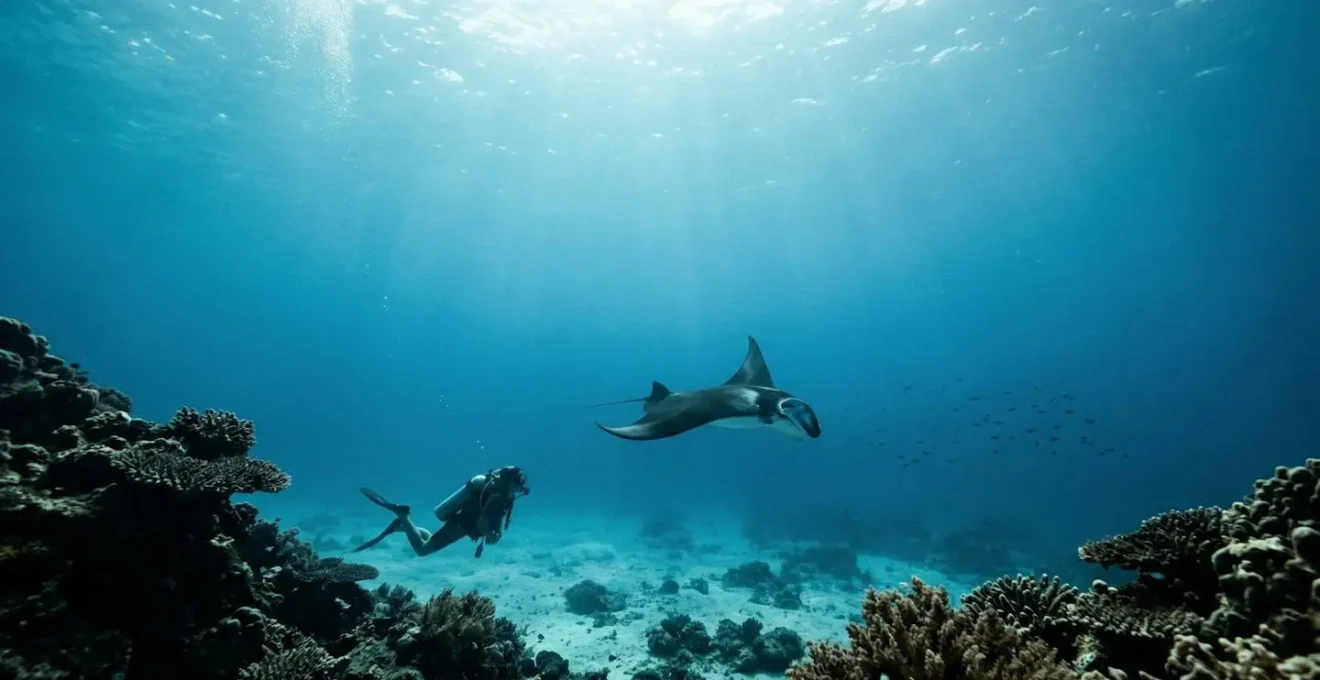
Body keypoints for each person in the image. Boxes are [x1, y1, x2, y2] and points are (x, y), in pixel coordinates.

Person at [353, 465, 530, 558]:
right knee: (422, 550)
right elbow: (482, 523)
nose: (517, 491)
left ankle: (403, 525)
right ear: (509, 483)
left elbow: (496, 519)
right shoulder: (498, 497)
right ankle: (404, 518)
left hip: (461, 522)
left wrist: (496, 533)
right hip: (461, 526)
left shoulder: (502, 495)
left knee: (429, 538)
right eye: (516, 487)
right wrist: (492, 537)